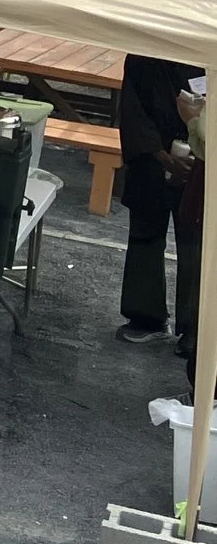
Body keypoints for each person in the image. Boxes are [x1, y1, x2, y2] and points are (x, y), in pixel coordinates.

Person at [118, 53, 204, 347]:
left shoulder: (207, 50)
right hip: (149, 157)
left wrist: (199, 148)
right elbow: (131, 109)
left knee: (197, 245)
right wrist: (160, 155)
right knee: (145, 234)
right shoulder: (143, 54)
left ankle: (196, 329)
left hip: (201, 156)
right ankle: (147, 316)